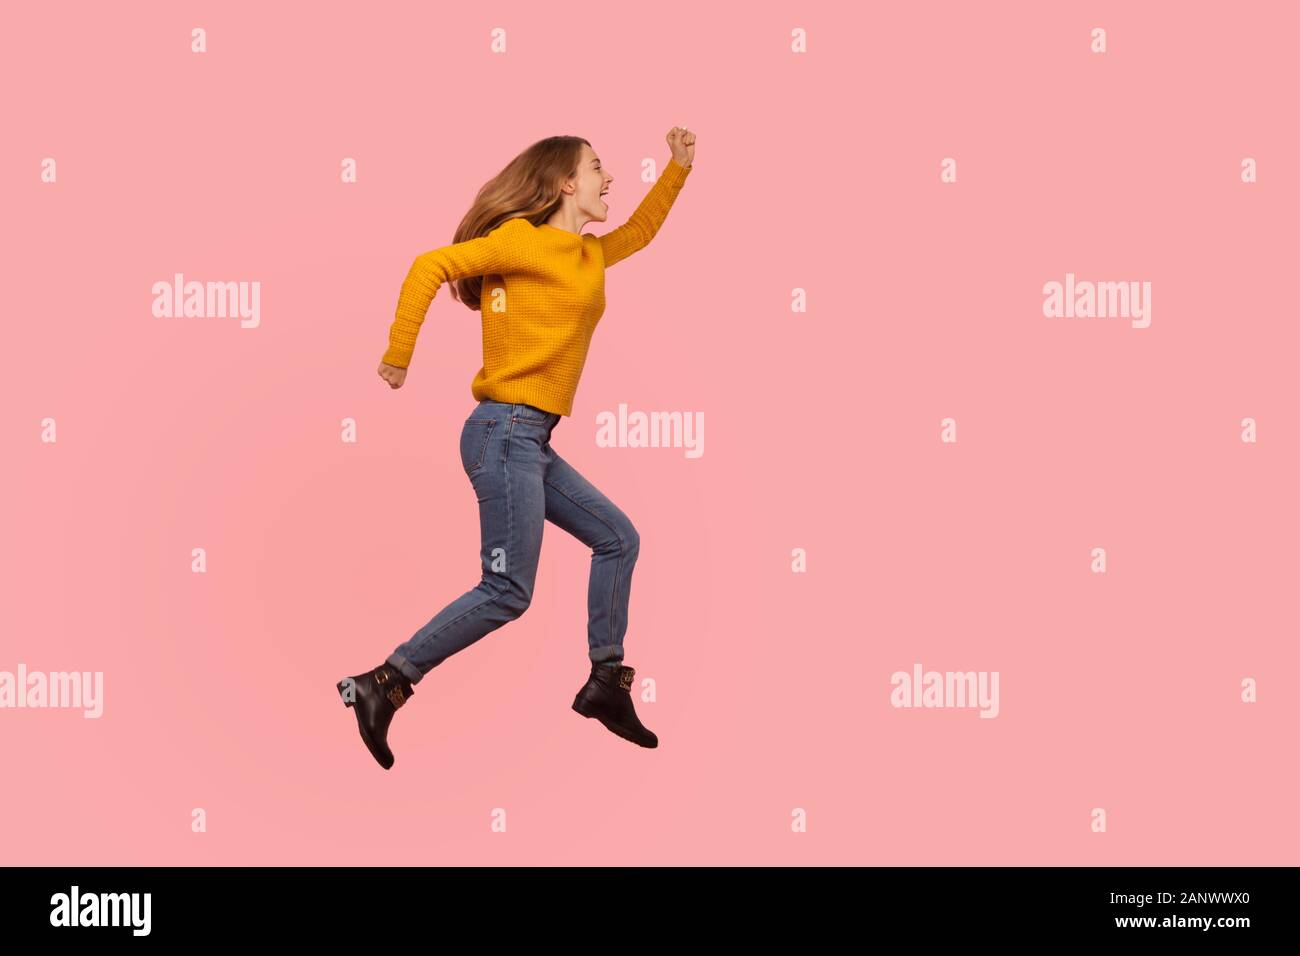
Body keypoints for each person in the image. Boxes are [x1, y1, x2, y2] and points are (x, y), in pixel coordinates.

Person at [337, 128, 696, 769]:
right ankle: (386, 681)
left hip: (531, 439)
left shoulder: (584, 254)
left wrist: (678, 168)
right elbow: (431, 266)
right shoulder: (521, 242)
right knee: (508, 588)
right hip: (504, 432)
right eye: (596, 168)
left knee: (619, 538)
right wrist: (399, 353)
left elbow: (639, 233)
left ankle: (604, 683)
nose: (608, 179)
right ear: (564, 182)